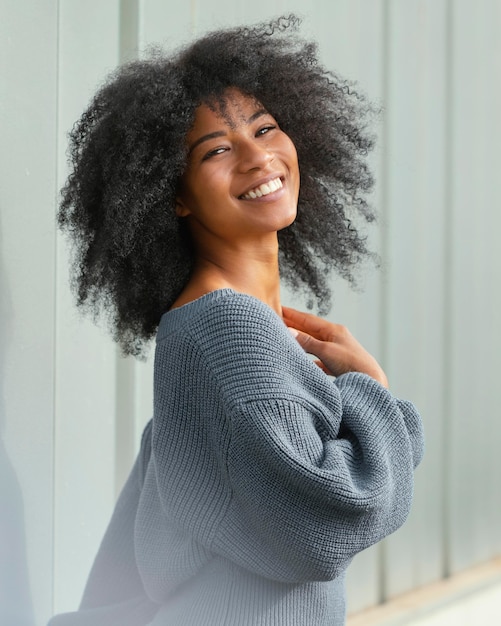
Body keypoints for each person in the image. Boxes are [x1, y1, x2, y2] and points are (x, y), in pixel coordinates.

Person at [49, 15, 424, 626]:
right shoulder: (224, 333)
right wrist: (373, 392)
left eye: (265, 127)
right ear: (174, 194)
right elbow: (326, 523)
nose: (258, 156)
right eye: (217, 150)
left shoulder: (225, 327)